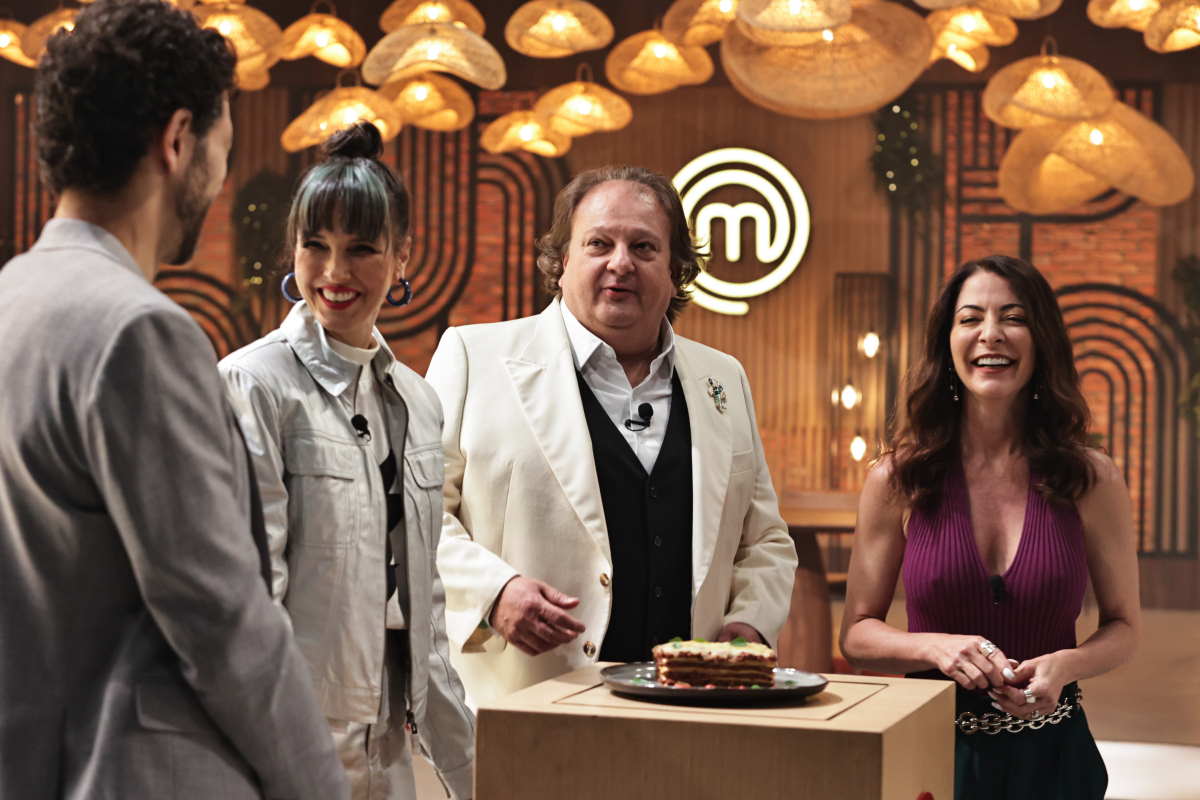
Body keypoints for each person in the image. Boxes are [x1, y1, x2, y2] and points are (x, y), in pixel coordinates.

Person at [0, 2, 349, 798]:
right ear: (179, 139)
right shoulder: (138, 330)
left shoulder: (12, 298)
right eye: (226, 146)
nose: (222, 179)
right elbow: (220, 618)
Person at [425, 164, 801, 707]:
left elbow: (764, 538)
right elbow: (418, 516)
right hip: (526, 701)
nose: (620, 263)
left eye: (644, 247)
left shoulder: (724, 377)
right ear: (561, 262)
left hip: (692, 708)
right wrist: (493, 593)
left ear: (675, 270)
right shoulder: (472, 357)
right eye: (599, 243)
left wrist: (750, 623)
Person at [220, 122, 475, 800]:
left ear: (401, 257)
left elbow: (427, 599)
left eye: (361, 248)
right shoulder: (253, 383)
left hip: (393, 738)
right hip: (296, 739)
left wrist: (465, 761)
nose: (335, 273)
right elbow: (253, 590)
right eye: (316, 246)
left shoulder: (418, 400)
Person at [840, 255, 1141, 799]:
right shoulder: (898, 477)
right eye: (971, 318)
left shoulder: (1090, 476)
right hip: (929, 758)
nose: (991, 334)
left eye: (1014, 317)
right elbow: (858, 634)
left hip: (1056, 761)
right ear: (948, 342)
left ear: (1042, 341)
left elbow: (1124, 627)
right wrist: (937, 649)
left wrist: (1067, 665)